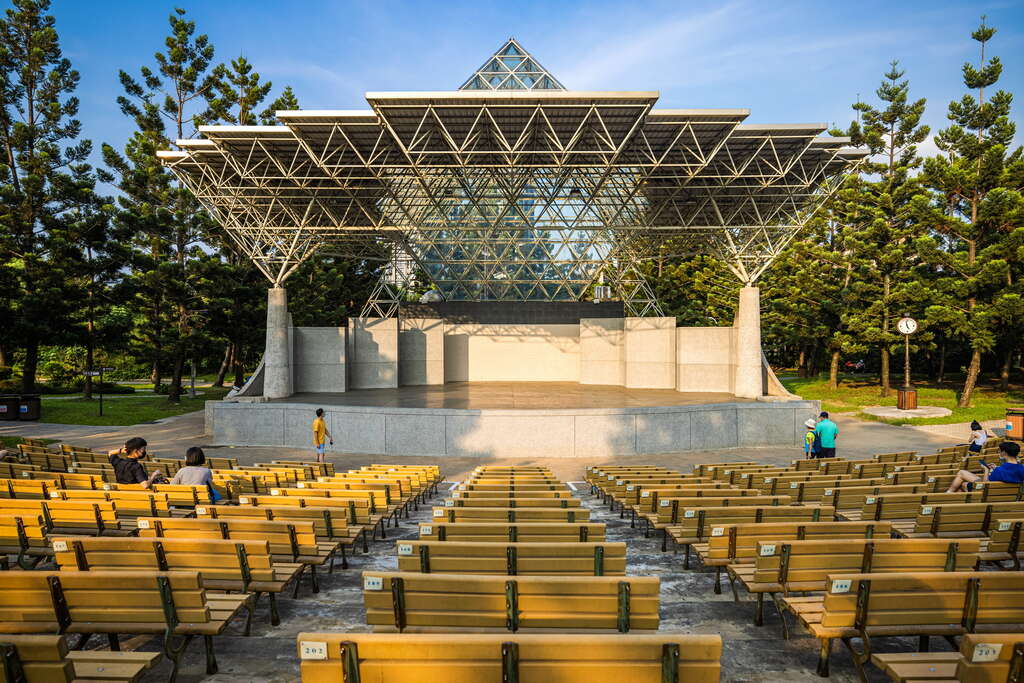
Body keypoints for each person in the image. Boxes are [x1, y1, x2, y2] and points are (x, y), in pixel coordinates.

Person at [948, 441, 1024, 492]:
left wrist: (986, 470)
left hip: (989, 493)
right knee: (962, 474)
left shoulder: (1000, 470)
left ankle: (948, 494)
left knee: (963, 482)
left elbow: (985, 485)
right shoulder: (1022, 468)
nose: (999, 453)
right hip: (1007, 495)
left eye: (1000, 451)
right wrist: (996, 468)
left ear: (1004, 452)